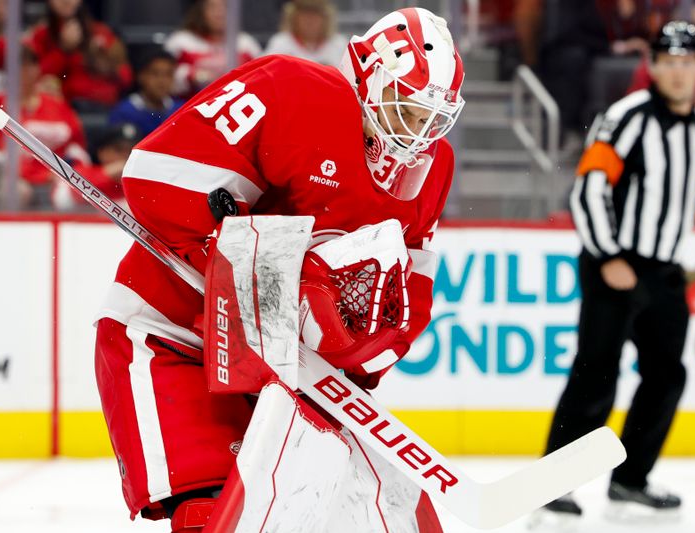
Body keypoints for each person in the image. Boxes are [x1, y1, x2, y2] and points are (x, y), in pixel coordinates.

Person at [94, 7, 464, 532]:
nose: (417, 130)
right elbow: (155, 177)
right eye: (404, 107)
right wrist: (237, 247)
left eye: (431, 117)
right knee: (212, 514)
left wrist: (359, 355)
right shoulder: (291, 90)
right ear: (365, 74)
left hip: (283, 373)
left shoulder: (434, 167)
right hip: (172, 334)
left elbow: (409, 293)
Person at [538, 21, 695, 522]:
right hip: (615, 266)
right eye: (667, 61)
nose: (677, 72)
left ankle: (631, 480)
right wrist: (609, 258)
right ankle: (552, 483)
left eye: (687, 62)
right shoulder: (627, 117)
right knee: (595, 375)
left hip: (666, 271)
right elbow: (588, 189)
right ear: (653, 66)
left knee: (667, 377)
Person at [0, 44, 91, 209]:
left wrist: (64, 174)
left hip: (57, 179)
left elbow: (77, 148)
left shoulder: (56, 105)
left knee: (69, 196)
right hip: (15, 180)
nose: (25, 70)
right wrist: (37, 175)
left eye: (31, 63)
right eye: (18, 65)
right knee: (15, 191)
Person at [23, 0, 132, 108]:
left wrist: (107, 65)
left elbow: (126, 77)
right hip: (62, 108)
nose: (66, 1)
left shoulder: (101, 32)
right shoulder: (41, 35)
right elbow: (33, 75)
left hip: (103, 109)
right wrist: (63, 50)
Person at [164, 0, 262, 98]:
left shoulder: (246, 44)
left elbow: (262, 78)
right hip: (190, 105)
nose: (219, 13)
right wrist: (192, 76)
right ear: (200, 11)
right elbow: (162, 79)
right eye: (212, 7)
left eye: (225, 7)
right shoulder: (181, 42)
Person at [108, 49, 183, 138]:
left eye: (168, 74)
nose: (162, 81)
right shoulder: (124, 112)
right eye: (155, 74)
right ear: (141, 76)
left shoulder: (180, 110)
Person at [264, 0, 347, 66]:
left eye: (315, 14)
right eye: (304, 14)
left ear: (326, 18)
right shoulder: (280, 43)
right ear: (293, 17)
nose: (309, 20)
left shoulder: (339, 44)